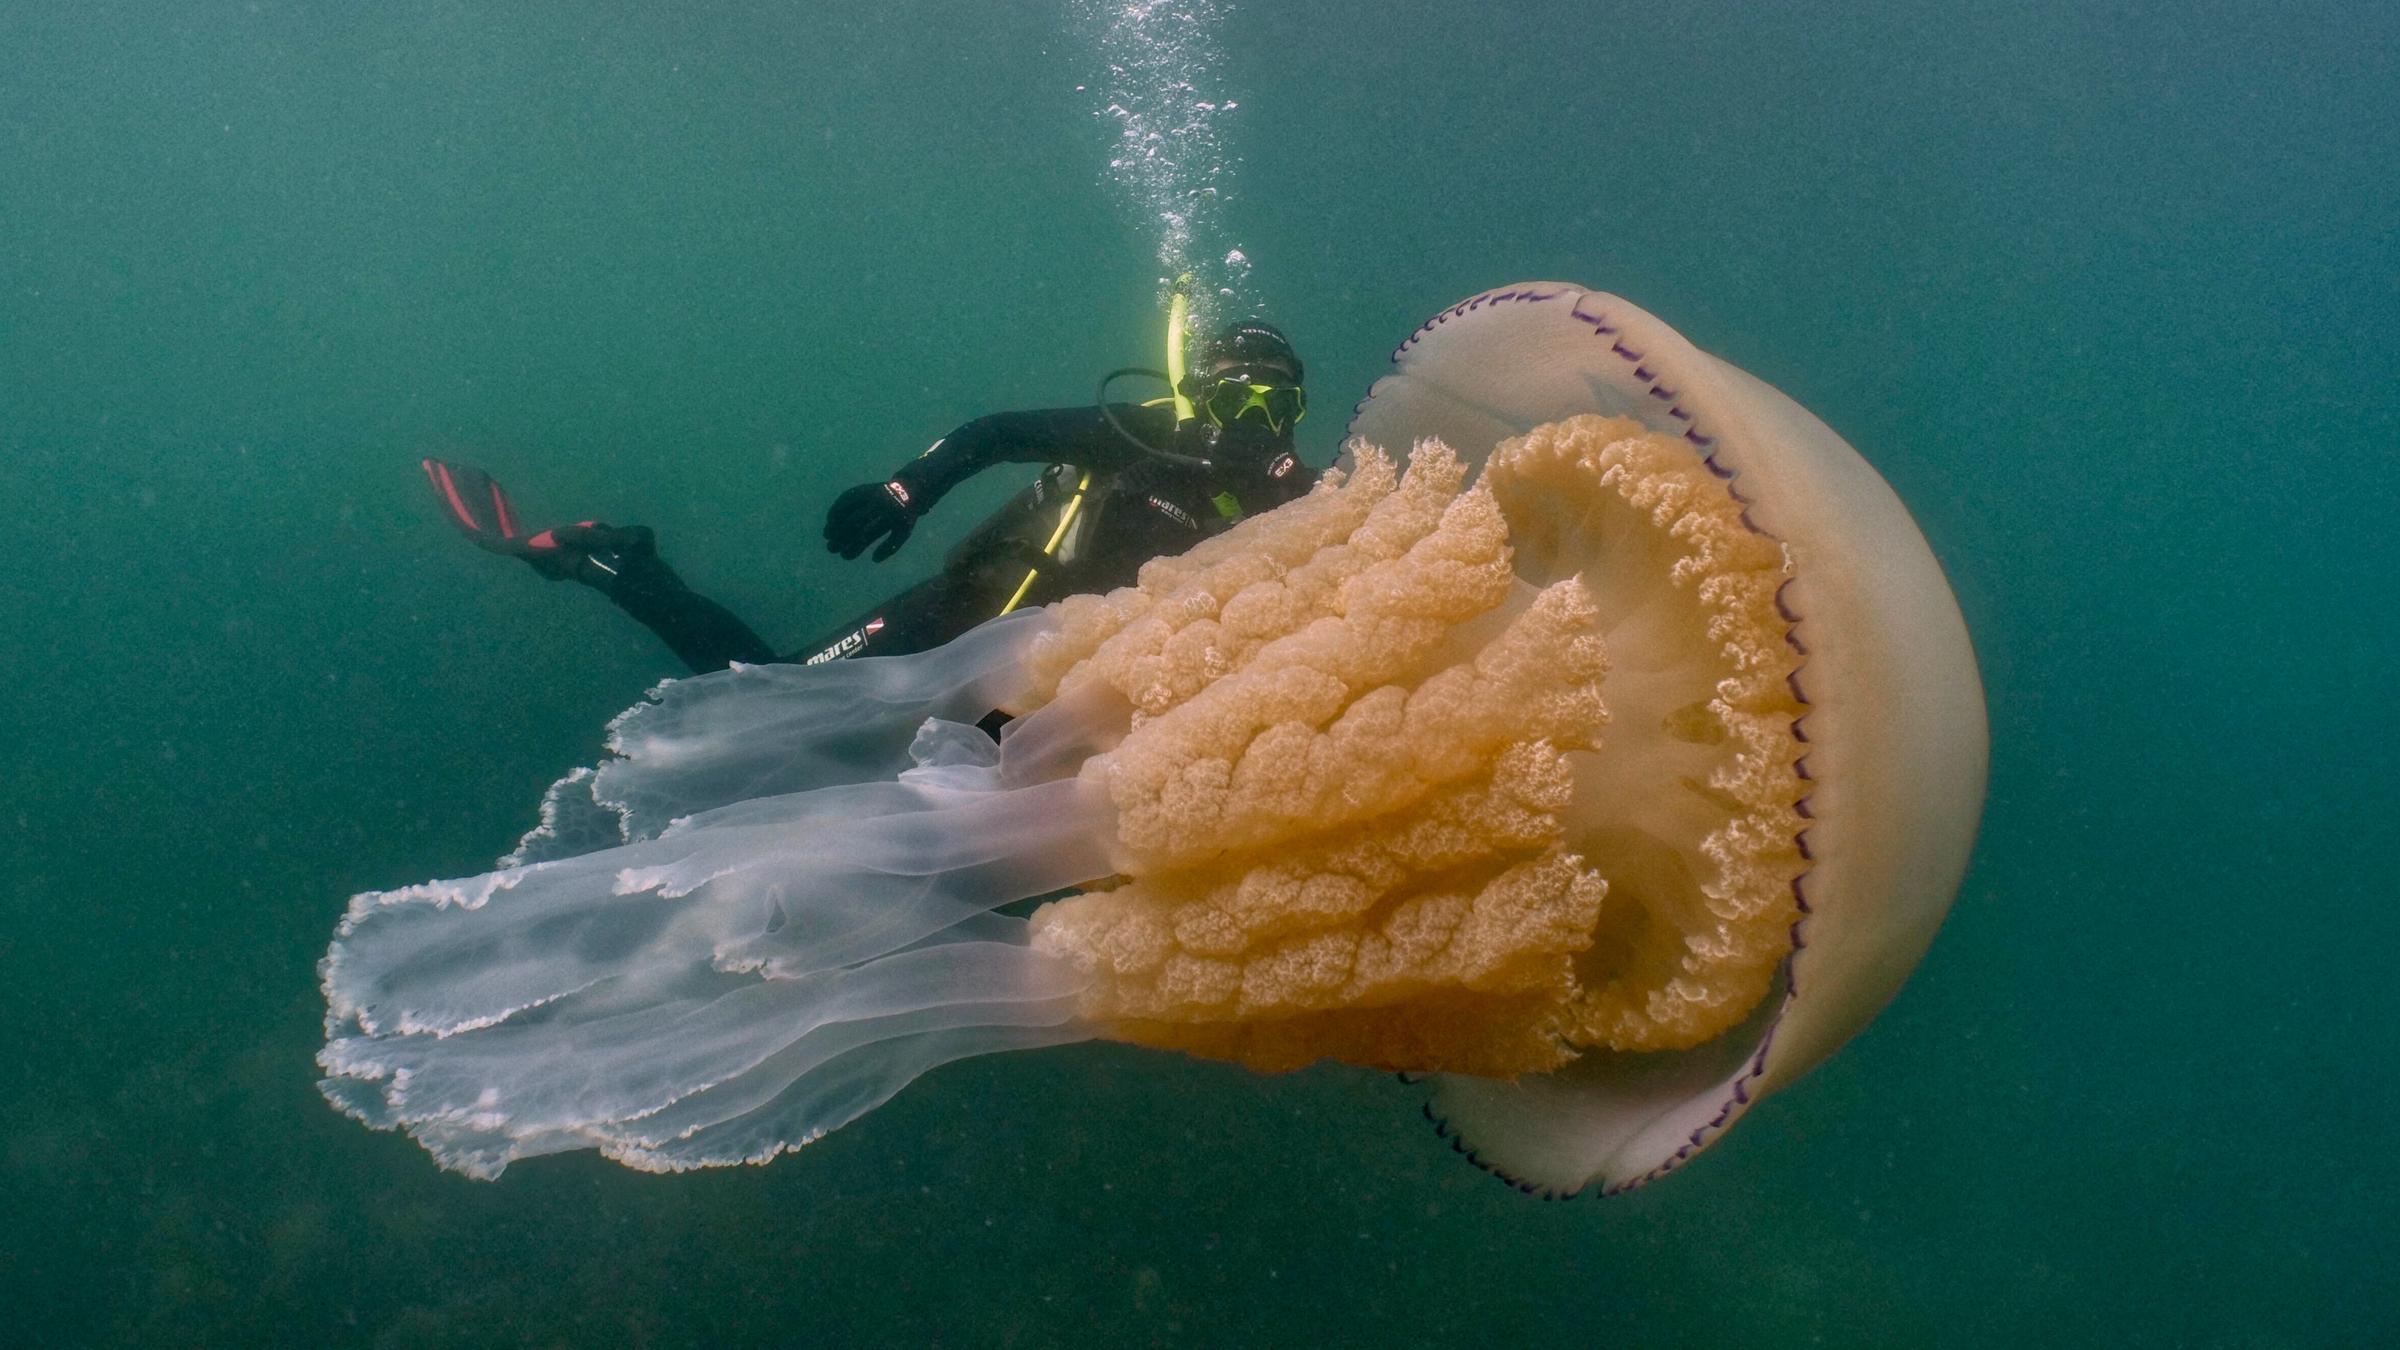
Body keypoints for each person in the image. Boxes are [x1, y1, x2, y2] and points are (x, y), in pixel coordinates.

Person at [424, 319, 1315, 674]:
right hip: (970, 611)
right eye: (1235, 398)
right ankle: (618, 562)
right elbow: (996, 433)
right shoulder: (1145, 432)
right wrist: (906, 490)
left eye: (1275, 406)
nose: (1253, 421)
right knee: (768, 697)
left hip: (1060, 684)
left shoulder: (1297, 503)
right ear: (1200, 395)